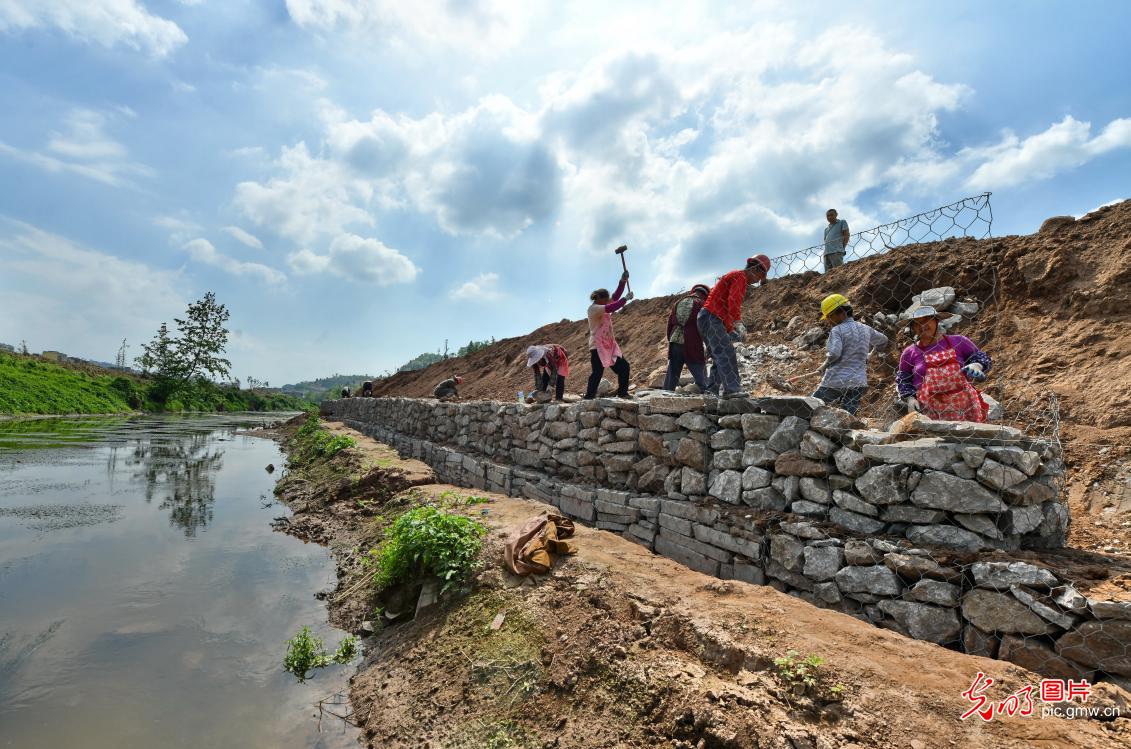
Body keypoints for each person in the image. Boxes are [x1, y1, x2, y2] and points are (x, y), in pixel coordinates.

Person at [896, 306, 991, 422]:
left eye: (927, 320)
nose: (922, 325)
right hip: (930, 410)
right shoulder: (909, 353)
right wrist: (910, 398)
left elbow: (981, 357)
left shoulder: (959, 341)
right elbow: (903, 380)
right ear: (913, 328)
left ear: (936, 321)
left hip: (965, 406)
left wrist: (977, 365)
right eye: (917, 323)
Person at [697, 255, 770, 397]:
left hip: (708, 318)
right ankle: (732, 389)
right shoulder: (740, 277)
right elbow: (733, 300)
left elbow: (725, 306)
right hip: (712, 317)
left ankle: (711, 393)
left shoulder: (736, 276)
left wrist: (730, 329)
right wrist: (738, 322)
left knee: (719, 357)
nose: (755, 282)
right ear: (755, 269)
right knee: (726, 353)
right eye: (758, 277)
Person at [809, 294, 888, 415]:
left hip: (836, 380)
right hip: (858, 381)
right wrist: (870, 354)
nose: (829, 320)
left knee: (811, 406)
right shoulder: (865, 328)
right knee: (847, 417)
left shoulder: (837, 330)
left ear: (841, 313)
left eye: (830, 316)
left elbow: (835, 353)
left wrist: (824, 366)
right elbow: (883, 340)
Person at [585, 271, 634, 399]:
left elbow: (615, 297)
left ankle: (623, 392)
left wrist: (622, 281)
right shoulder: (594, 309)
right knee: (597, 372)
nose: (608, 301)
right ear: (599, 299)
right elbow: (612, 307)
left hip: (609, 344)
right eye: (606, 300)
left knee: (624, 367)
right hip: (597, 345)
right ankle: (589, 396)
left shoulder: (603, 304)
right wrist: (626, 299)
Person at [664, 284, 710, 392]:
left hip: (675, 340)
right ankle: (705, 392)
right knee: (699, 368)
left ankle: (666, 393)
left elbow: (670, 324)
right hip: (692, 341)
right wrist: (708, 345)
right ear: (705, 295)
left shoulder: (677, 303)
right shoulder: (701, 304)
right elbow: (705, 327)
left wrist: (671, 339)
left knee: (673, 370)